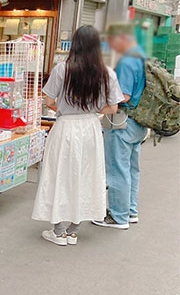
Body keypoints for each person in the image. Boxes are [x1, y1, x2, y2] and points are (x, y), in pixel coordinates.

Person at [32, 25, 124, 246]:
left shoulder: (62, 69)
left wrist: (65, 110)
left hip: (65, 128)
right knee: (87, 176)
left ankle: (58, 230)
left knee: (61, 175)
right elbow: (113, 108)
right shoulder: (107, 73)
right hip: (91, 128)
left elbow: (49, 102)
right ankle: (73, 231)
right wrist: (92, 111)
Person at [92, 22, 147, 230]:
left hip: (123, 122)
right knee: (132, 169)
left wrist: (101, 100)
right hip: (139, 123)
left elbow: (123, 96)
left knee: (117, 169)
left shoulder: (127, 62)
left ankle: (118, 216)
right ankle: (130, 211)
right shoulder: (142, 57)